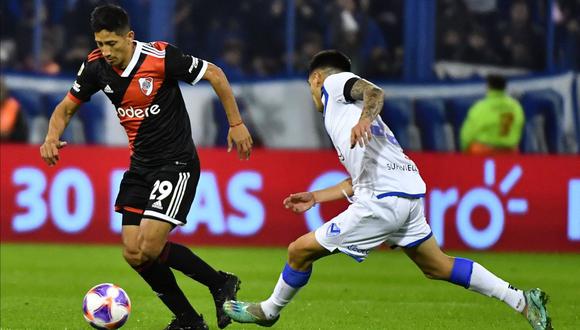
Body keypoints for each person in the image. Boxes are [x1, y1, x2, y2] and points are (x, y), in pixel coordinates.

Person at [223, 50, 551, 330]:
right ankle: (522, 300)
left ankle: (269, 311)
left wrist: (365, 119)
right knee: (437, 265)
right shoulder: (343, 117)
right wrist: (316, 196)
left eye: (310, 84)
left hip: (383, 201)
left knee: (298, 250)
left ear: (316, 78)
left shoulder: (335, 85)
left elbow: (375, 92)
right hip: (404, 194)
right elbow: (358, 180)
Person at [39, 5, 253, 330]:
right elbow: (66, 108)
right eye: (100, 44)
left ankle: (219, 282)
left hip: (176, 162)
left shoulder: (160, 58)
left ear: (130, 36)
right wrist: (52, 137)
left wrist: (236, 124)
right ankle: (188, 320)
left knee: (150, 246)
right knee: (133, 253)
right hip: (140, 167)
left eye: (113, 43)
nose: (106, 51)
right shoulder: (95, 66)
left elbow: (215, 74)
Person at [460, 74, 525, 155]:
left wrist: (464, 152)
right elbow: (519, 129)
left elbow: (466, 136)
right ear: (505, 87)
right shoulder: (516, 107)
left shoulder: (480, 107)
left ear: (488, 87)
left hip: (484, 152)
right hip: (509, 153)